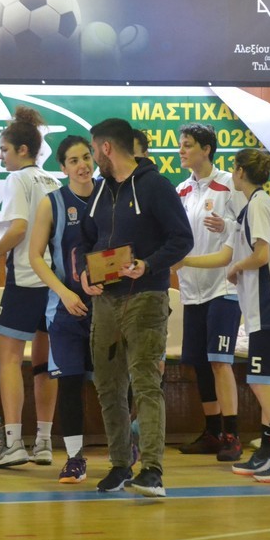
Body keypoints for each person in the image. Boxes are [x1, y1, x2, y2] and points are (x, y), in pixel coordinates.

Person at [79, 118, 193, 498]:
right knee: (108, 386)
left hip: (146, 297)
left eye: (94, 150)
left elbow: (183, 239)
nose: (92, 159)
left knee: (145, 382)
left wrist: (149, 264)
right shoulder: (100, 190)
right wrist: (84, 273)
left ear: (106, 148)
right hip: (104, 300)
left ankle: (153, 471)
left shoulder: (155, 186)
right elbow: (85, 240)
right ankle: (119, 465)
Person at [182, 148, 270, 482]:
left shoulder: (259, 205)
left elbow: (261, 254)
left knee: (261, 382)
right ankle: (266, 454)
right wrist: (227, 232)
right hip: (265, 311)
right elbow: (242, 240)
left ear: (239, 172)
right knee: (267, 383)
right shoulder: (252, 208)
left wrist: (237, 266)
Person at [0, 106, 61, 468]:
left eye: (4, 149)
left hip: (26, 278)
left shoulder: (17, 180)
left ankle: (13, 443)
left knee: (9, 359)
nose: (1, 156)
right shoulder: (53, 181)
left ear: (22, 150)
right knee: (44, 364)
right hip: (54, 282)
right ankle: (44, 442)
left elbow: (18, 229)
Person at [174, 123, 245, 462]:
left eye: (188, 144)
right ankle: (213, 432)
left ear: (206, 149)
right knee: (200, 363)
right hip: (192, 290)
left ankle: (233, 435)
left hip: (223, 288)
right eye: (181, 144)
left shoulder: (230, 185)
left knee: (219, 361)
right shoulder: (181, 191)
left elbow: (249, 228)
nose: (181, 150)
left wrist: (227, 225)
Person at [28, 135, 96, 483]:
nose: (82, 165)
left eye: (86, 157)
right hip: (66, 307)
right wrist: (64, 293)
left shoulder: (109, 195)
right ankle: (73, 458)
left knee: (116, 383)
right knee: (69, 381)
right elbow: (35, 256)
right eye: (74, 160)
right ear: (63, 167)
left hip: (107, 306)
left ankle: (125, 449)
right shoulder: (52, 203)